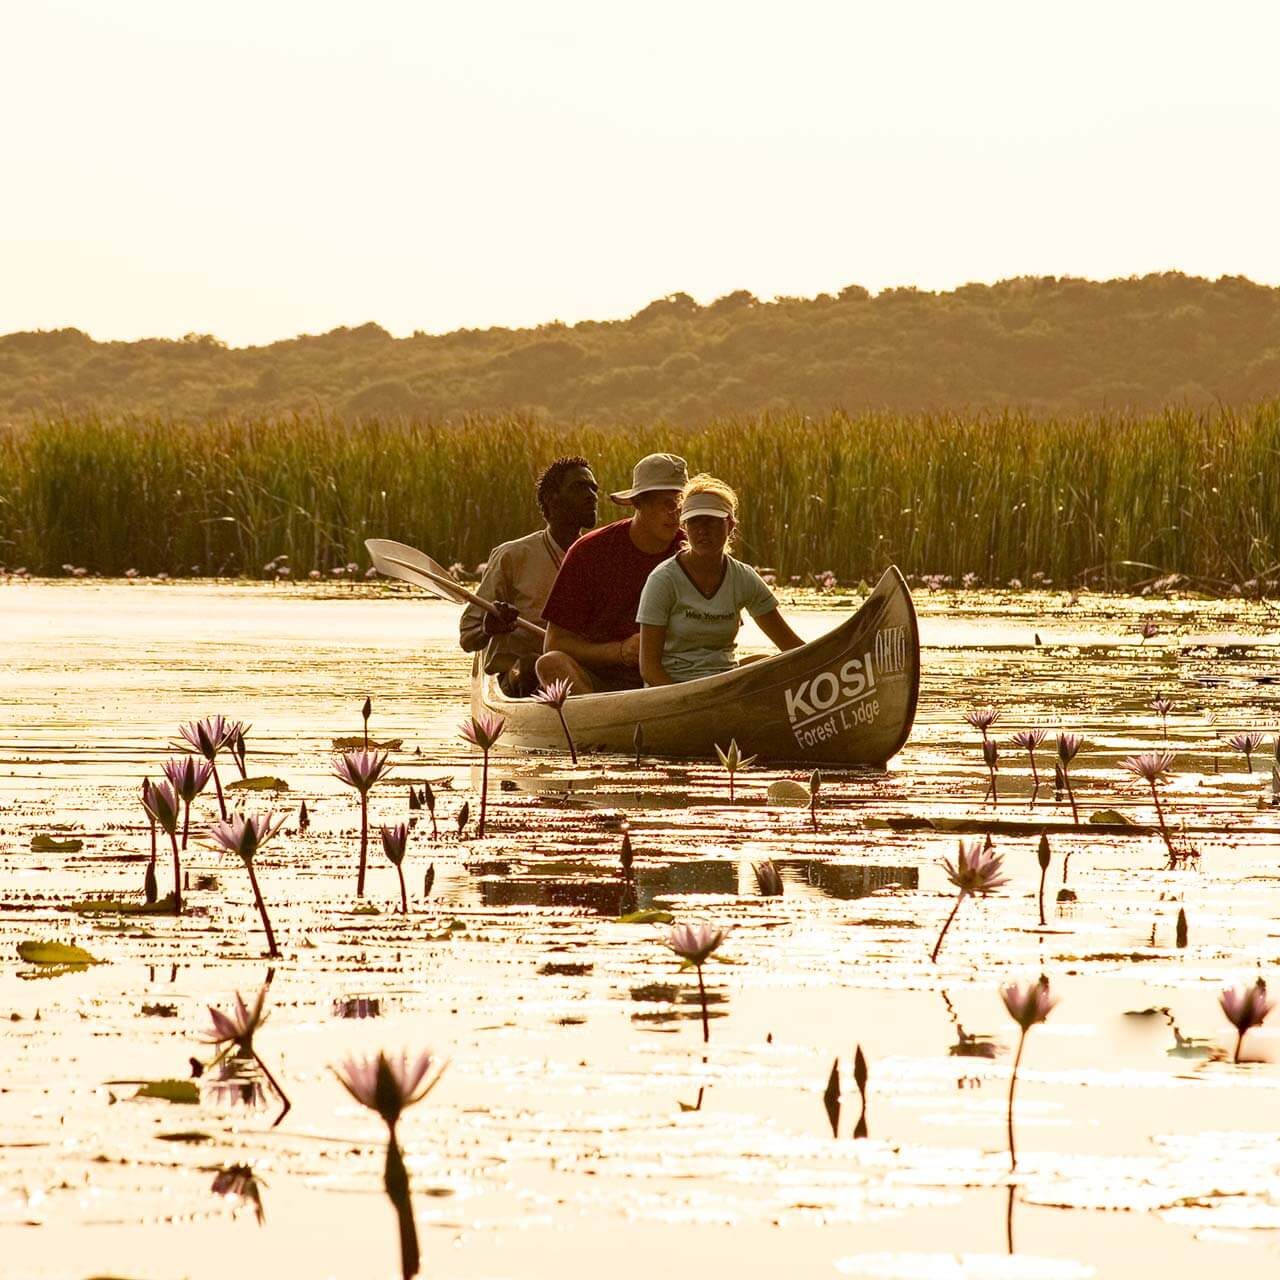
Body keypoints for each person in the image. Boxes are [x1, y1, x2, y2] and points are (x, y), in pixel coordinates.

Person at [536, 452, 688, 694]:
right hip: (603, 681)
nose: (676, 513)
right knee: (551, 663)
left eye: (681, 503)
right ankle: (598, 724)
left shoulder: (693, 550)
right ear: (638, 503)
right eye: (665, 503)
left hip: (678, 676)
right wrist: (620, 651)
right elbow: (554, 642)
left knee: (760, 663)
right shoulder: (589, 552)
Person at [637, 474, 804, 685]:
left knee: (772, 664)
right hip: (673, 687)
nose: (702, 530)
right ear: (684, 527)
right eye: (694, 521)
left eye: (712, 521)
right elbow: (649, 669)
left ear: (730, 525)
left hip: (725, 683)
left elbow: (792, 647)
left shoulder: (744, 578)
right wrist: (687, 703)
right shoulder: (663, 580)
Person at [459, 456, 598, 696]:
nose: (592, 496)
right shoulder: (512, 556)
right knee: (529, 666)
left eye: (593, 488)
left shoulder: (600, 556)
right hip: (518, 673)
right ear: (550, 500)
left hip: (579, 669)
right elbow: (468, 637)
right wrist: (489, 628)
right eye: (579, 487)